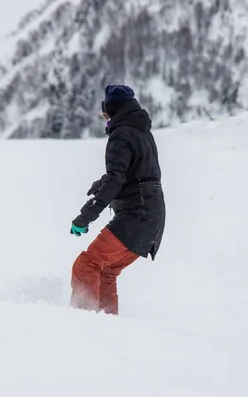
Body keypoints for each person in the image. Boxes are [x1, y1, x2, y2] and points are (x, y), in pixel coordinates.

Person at [69, 85, 166, 315]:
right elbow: (134, 173)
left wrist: (85, 217)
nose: (106, 119)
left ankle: (81, 323)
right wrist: (103, 182)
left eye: (106, 114)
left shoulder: (121, 134)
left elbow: (117, 180)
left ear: (112, 110)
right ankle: (107, 328)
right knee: (106, 272)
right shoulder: (142, 131)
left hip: (137, 214)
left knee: (87, 265)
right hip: (153, 216)